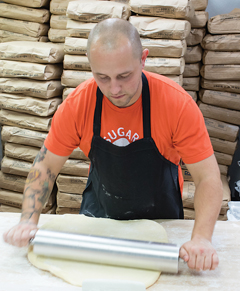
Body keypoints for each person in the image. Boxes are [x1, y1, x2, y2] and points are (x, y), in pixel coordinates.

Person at [3, 18, 223, 272]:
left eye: (124, 76)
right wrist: (28, 221)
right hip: (99, 217)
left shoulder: (177, 105)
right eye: (102, 77)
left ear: (143, 59)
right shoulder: (78, 105)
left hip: (160, 224)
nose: (114, 89)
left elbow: (208, 177)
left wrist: (201, 239)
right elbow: (46, 167)